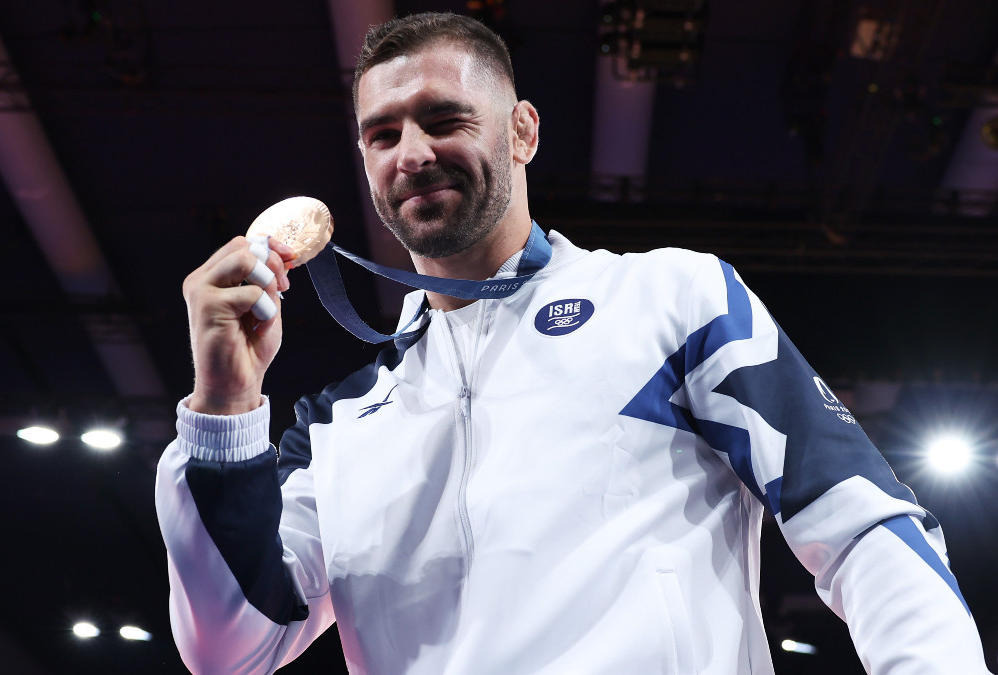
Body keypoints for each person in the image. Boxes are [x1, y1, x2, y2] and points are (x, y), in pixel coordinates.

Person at [156, 12, 989, 674]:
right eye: (382, 133)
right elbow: (230, 650)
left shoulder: (671, 300)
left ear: (522, 131)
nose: (412, 153)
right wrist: (223, 408)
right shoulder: (337, 428)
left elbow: (860, 524)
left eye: (444, 118)